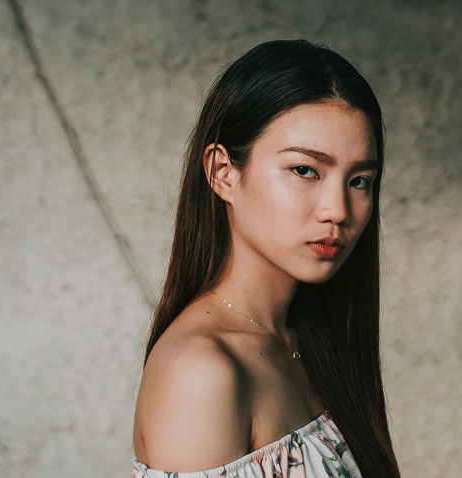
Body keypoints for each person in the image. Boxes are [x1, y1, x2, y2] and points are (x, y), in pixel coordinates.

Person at [132, 39, 401, 478]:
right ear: (223, 173)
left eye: (360, 180)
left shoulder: (304, 338)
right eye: (305, 170)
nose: (337, 210)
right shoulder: (202, 372)